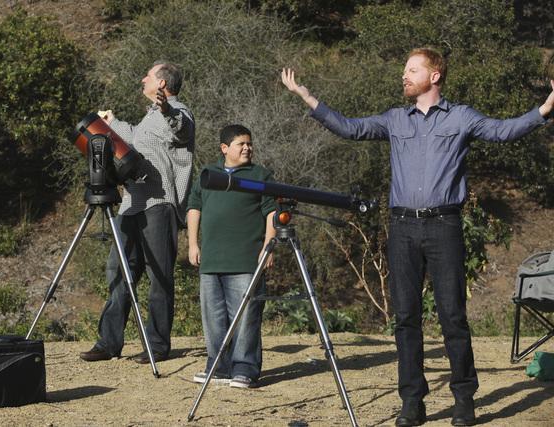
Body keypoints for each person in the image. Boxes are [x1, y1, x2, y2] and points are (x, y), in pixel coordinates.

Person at [282, 47, 554, 426]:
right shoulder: (395, 119)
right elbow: (351, 127)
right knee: (406, 319)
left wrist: (545, 108)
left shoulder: (461, 117)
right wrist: (308, 97)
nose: (404, 76)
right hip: (403, 228)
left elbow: (501, 131)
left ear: (435, 75)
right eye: (404, 70)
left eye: (412, 70)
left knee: (453, 317)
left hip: (444, 227)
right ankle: (413, 402)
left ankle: (463, 400)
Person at [80, 60, 195, 364]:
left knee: (160, 277)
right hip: (132, 204)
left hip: (160, 206)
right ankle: (109, 342)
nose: (141, 78)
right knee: (119, 271)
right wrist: (110, 122)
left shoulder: (179, 112)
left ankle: (157, 346)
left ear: (162, 84)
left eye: (148, 75)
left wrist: (167, 109)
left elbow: (181, 130)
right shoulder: (148, 119)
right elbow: (132, 139)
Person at [186, 124, 276, 388]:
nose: (247, 148)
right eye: (241, 144)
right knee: (213, 317)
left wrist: (269, 246)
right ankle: (218, 366)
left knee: (247, 316)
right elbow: (194, 207)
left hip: (246, 260)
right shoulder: (208, 173)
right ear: (225, 148)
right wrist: (193, 244)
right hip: (211, 259)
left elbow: (272, 211)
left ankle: (245, 369)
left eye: (249, 143)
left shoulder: (260, 175)